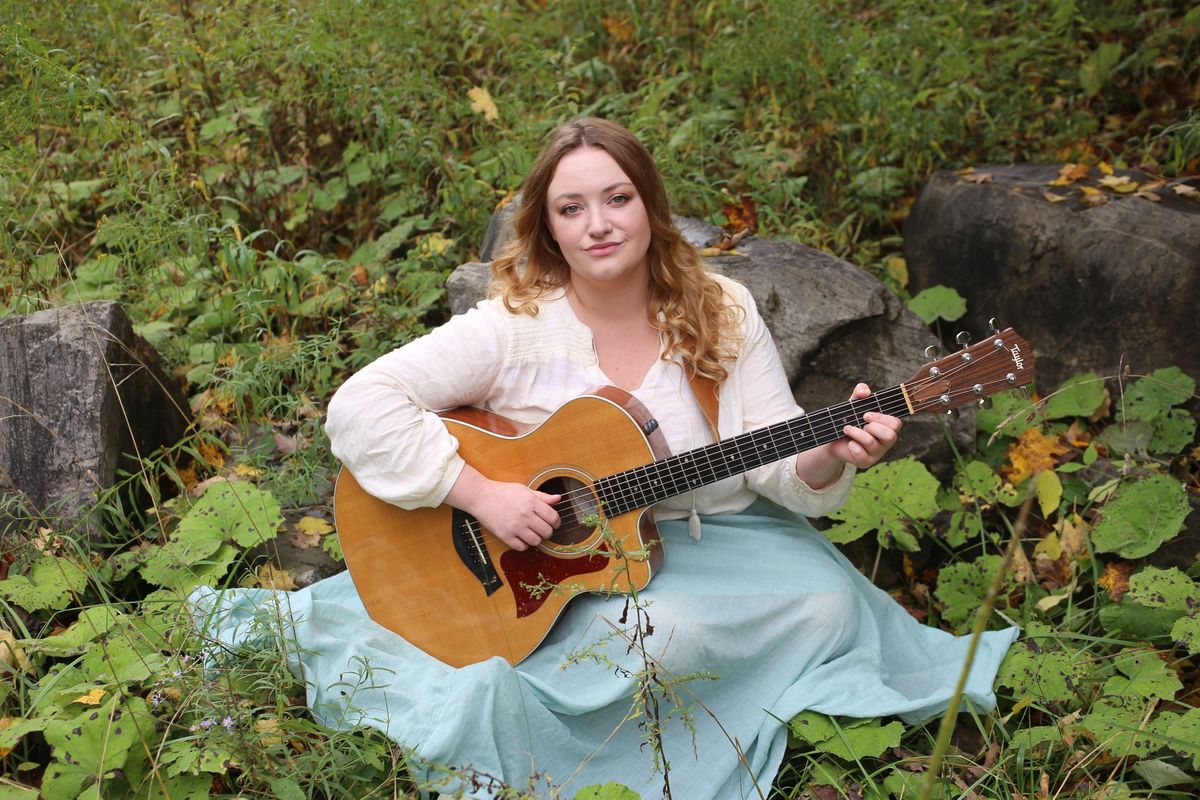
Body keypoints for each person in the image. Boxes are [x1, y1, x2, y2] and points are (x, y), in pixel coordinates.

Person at [196, 118, 1017, 799]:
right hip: (562, 564)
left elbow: (773, 462)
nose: (599, 225)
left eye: (617, 199)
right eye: (572, 207)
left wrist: (833, 455)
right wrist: (479, 492)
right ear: (548, 227)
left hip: (713, 538)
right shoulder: (514, 324)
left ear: (650, 206)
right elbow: (358, 407)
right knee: (670, 635)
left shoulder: (720, 309)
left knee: (835, 606)